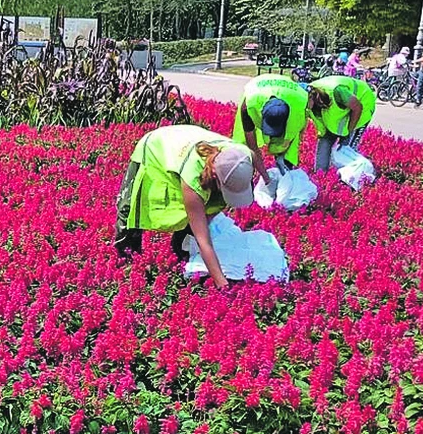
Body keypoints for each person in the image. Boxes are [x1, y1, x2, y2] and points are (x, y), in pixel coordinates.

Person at [113, 125, 257, 289]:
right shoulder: (193, 177)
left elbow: (253, 157)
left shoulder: (243, 157)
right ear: (216, 176)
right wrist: (222, 285)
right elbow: (204, 240)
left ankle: (180, 251)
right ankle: (128, 261)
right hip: (157, 146)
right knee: (130, 207)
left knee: (202, 216)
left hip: (187, 139)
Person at [232, 75, 309, 182]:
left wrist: (282, 158)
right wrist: (265, 177)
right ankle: (245, 177)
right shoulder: (249, 105)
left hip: (291, 95)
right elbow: (252, 147)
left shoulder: (298, 110)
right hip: (258, 89)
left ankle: (286, 173)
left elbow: (295, 136)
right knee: (243, 146)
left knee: (288, 141)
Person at [306, 76, 376, 171]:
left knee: (346, 150)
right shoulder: (311, 104)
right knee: (324, 142)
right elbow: (321, 124)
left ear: (311, 96)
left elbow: (357, 107)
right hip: (341, 112)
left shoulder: (337, 91)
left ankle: (352, 177)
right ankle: (321, 175)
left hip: (363, 103)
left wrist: (349, 132)